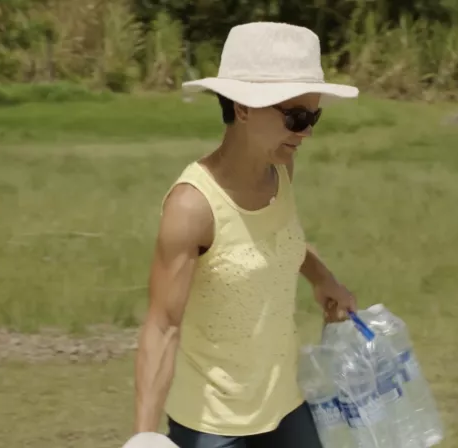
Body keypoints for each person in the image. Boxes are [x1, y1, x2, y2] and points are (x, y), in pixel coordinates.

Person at [126, 22, 361, 448]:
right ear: (243, 107)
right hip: (213, 425)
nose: (306, 132)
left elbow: (274, 240)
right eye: (296, 117)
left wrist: (323, 278)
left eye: (314, 117)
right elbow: (162, 326)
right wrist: (144, 437)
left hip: (285, 405)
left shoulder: (280, 170)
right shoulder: (192, 206)